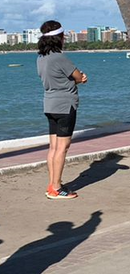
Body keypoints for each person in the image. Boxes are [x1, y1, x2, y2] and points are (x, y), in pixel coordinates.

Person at [37, 20, 88, 199]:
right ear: (59, 37)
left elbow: (56, 80)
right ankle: (57, 188)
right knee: (62, 148)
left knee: (53, 147)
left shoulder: (41, 58)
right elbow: (77, 77)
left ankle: (52, 184)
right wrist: (81, 79)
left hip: (49, 104)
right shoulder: (60, 57)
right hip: (65, 105)